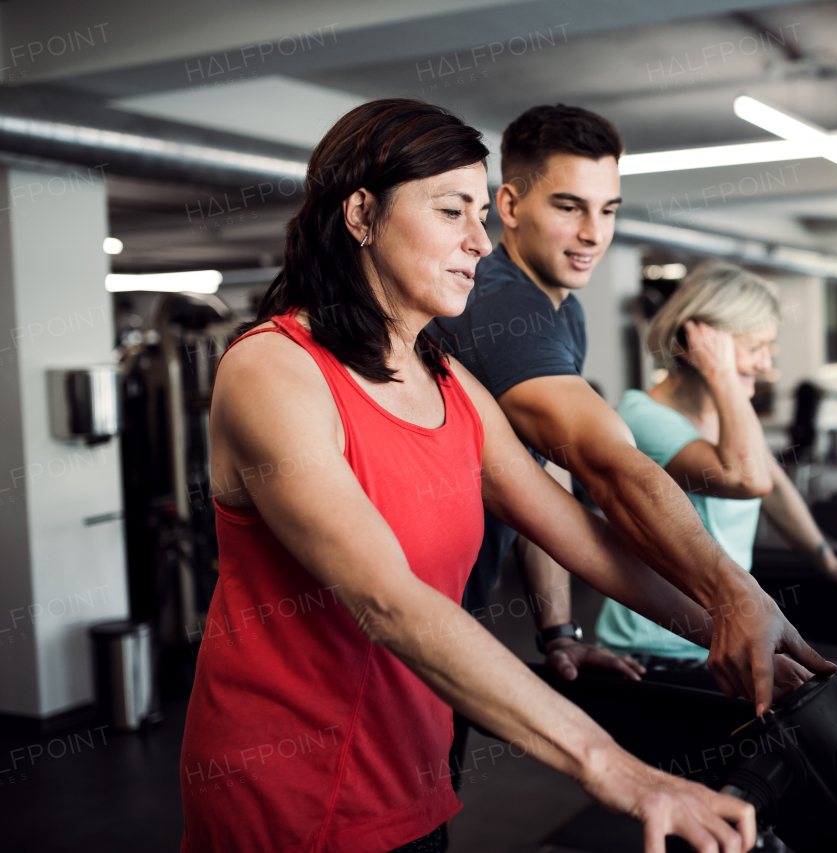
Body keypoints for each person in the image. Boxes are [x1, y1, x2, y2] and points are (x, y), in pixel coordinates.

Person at [181, 99, 774, 853]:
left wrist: (742, 639)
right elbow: (387, 599)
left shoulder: (448, 379)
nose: (480, 242)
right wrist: (624, 772)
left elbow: (578, 535)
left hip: (411, 768)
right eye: (452, 210)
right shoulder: (273, 370)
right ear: (362, 214)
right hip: (286, 795)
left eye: (480, 214)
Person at [428, 104, 832, 713]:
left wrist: (558, 630)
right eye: (569, 207)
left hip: (452, 611)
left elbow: (545, 469)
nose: (594, 233)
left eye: (608, 209)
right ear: (509, 206)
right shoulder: (502, 310)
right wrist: (733, 599)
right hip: (398, 620)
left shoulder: (565, 310)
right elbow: (608, 465)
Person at [595, 261, 837, 667]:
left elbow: (773, 483)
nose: (765, 364)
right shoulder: (644, 420)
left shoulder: (722, 414)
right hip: (658, 649)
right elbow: (747, 480)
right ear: (694, 344)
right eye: (753, 348)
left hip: (715, 637)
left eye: (768, 346)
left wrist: (830, 563)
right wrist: (725, 378)